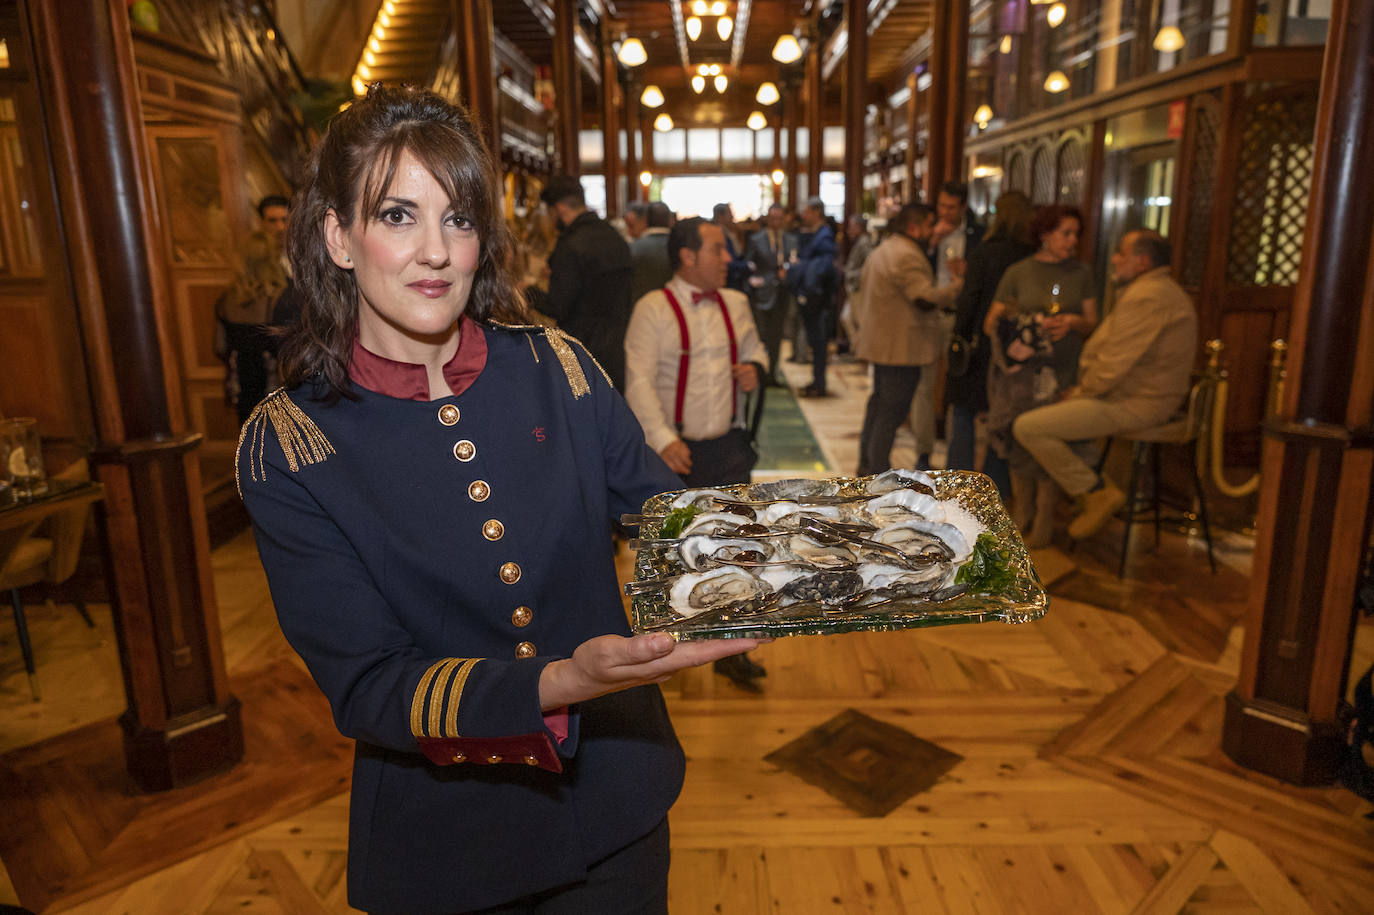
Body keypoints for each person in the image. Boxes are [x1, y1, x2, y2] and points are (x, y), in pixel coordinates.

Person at [235, 85, 763, 914]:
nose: (437, 252)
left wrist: (842, 547)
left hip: (617, 801)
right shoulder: (292, 446)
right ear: (339, 236)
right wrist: (556, 681)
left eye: (460, 217)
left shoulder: (558, 367)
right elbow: (370, 683)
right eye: (399, 216)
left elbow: (670, 518)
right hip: (452, 840)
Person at [623, 216, 770, 690]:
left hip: (728, 445)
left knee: (738, 551)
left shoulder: (736, 302)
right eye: (717, 250)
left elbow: (757, 351)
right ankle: (664, 649)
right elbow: (638, 381)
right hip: (674, 451)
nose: (727, 259)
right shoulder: (652, 309)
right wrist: (663, 439)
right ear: (687, 255)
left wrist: (754, 369)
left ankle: (732, 648)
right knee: (674, 552)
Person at [1014, 229, 1197, 540]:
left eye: (1121, 253)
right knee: (1045, 419)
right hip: (1126, 397)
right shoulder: (1151, 289)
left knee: (1028, 427)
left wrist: (1080, 395)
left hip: (1138, 404)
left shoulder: (1149, 296)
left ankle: (1096, 493)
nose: (1114, 259)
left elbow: (1113, 366)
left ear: (1141, 262)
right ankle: (1081, 497)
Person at [983, 204, 1099, 548]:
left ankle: (1045, 522)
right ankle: (1022, 516)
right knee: (1019, 444)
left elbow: (1093, 322)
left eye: (1076, 234)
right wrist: (1028, 326)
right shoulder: (1019, 272)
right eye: (1066, 232)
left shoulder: (1082, 273)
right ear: (1045, 234)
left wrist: (1073, 323)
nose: (1072, 240)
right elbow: (992, 322)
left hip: (1063, 372)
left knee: (1051, 443)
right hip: (1023, 377)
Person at [851, 202, 964, 476]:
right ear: (913, 227)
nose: (932, 230)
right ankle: (876, 471)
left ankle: (867, 465)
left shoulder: (890, 247)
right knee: (891, 410)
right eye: (928, 225)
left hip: (887, 344)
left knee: (879, 405)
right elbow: (923, 297)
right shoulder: (906, 255)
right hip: (900, 348)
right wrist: (959, 285)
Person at [943, 191, 1035, 500]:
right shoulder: (1030, 255)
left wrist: (957, 338)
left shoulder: (985, 253)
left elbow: (969, 300)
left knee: (964, 415)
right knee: (1000, 418)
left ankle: (957, 486)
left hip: (980, 346)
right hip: (1014, 350)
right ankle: (995, 490)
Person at [908, 181, 983, 470]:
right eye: (941, 206)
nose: (944, 212)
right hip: (928, 316)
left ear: (963, 207)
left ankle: (956, 456)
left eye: (951, 207)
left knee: (955, 387)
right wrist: (930, 244)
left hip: (959, 316)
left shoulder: (977, 234)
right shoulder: (927, 232)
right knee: (924, 387)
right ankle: (923, 451)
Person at [540, 174, 635, 389]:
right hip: (619, 345)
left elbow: (557, 305)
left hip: (583, 350)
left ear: (560, 209)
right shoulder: (614, 236)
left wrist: (527, 292)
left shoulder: (571, 244)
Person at [217, 196, 292, 424]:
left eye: (284, 220)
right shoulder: (281, 299)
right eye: (272, 220)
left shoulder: (225, 300)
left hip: (242, 387)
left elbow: (219, 347)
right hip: (276, 387)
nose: (279, 228)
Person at [785, 198, 840, 397]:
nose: (803, 216)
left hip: (818, 297)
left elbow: (823, 267)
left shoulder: (824, 236)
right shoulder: (816, 234)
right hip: (814, 294)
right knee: (816, 342)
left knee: (819, 342)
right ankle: (817, 382)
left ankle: (819, 383)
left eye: (806, 212)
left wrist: (800, 268)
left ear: (816, 213)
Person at [744, 202, 796, 385]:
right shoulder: (756, 239)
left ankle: (772, 374)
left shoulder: (790, 240)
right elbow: (749, 265)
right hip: (762, 294)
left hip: (782, 292)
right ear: (768, 219)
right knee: (760, 336)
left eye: (780, 219)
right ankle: (760, 371)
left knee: (776, 336)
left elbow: (795, 261)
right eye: (773, 218)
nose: (776, 222)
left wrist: (789, 271)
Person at [840, 213, 877, 348]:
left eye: (851, 226)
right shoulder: (860, 242)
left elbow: (870, 265)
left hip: (859, 288)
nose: (849, 230)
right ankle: (858, 349)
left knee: (860, 322)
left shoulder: (864, 242)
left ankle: (863, 352)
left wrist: (850, 274)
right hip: (854, 288)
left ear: (858, 227)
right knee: (847, 318)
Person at [629, 200, 675, 303]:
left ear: (645, 220)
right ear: (670, 219)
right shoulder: (681, 248)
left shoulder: (633, 248)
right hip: (675, 307)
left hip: (640, 305)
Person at [711, 202, 751, 292]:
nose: (732, 217)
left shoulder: (729, 233)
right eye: (730, 214)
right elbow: (729, 261)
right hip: (728, 281)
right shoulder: (718, 235)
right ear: (720, 216)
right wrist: (747, 266)